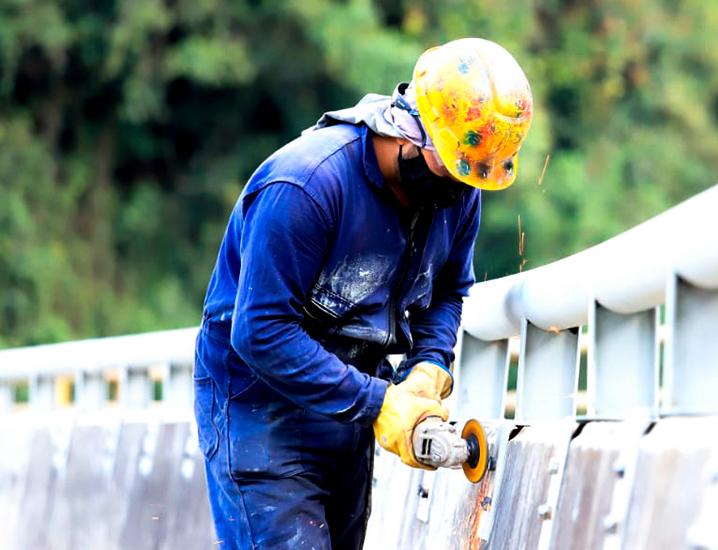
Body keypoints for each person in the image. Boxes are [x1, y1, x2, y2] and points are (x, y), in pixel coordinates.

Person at [191, 38, 533, 549]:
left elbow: (447, 291)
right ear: (413, 129)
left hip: (348, 408)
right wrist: (381, 404)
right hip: (260, 410)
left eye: (473, 173)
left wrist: (427, 365)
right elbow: (260, 332)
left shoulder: (457, 194)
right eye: (454, 166)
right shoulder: (305, 187)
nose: (461, 187)